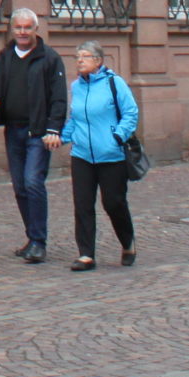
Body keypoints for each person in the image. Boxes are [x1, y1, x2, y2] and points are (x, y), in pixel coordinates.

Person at [0, 8, 68, 262]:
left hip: (38, 132)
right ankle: (32, 237)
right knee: (20, 186)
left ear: (35, 29)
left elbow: (59, 98)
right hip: (13, 130)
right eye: (18, 27)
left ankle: (39, 241)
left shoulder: (49, 58)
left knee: (32, 182)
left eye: (27, 27)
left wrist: (54, 129)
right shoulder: (6, 55)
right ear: (12, 29)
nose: (22, 32)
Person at [59, 41, 139, 271]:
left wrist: (118, 136)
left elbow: (130, 112)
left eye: (85, 56)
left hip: (111, 155)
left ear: (98, 61)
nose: (80, 61)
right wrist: (62, 137)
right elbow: (75, 119)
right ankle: (86, 254)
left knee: (113, 203)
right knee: (82, 204)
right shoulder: (76, 86)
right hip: (82, 155)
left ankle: (127, 242)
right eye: (77, 57)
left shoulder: (114, 83)